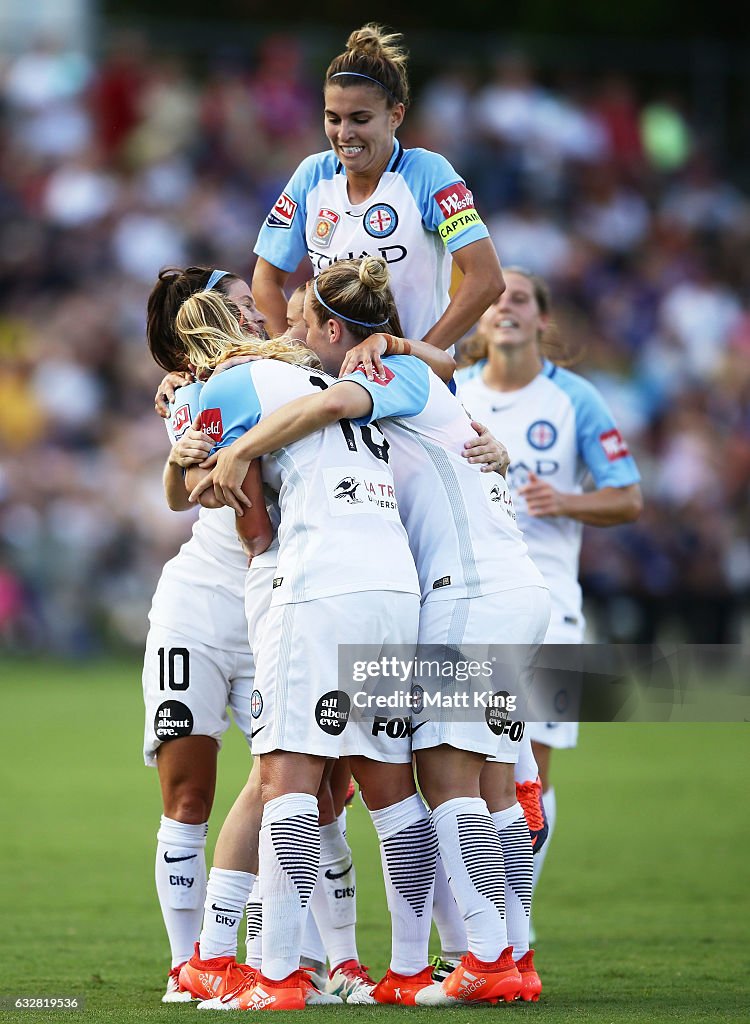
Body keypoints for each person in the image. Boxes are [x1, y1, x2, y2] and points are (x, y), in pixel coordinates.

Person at [190, 257, 551, 1006]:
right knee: (458, 785)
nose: (287, 336)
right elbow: (441, 376)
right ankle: (491, 957)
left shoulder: (366, 381)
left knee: (312, 776)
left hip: (442, 592)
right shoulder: (394, 378)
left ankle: (285, 973)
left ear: (331, 327)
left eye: (297, 323)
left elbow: (266, 503)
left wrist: (236, 445)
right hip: (426, 591)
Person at [173, 285, 443, 1011]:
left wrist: (215, 468)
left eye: (290, 315)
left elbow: (248, 520)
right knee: (389, 788)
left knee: (286, 779)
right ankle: (412, 971)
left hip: (316, 584)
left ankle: (280, 976)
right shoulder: (365, 377)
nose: (276, 321)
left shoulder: (237, 382)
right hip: (395, 587)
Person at [456, 267, 642, 934]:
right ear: (475, 316)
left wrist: (564, 500)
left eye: (521, 299)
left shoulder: (576, 401)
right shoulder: (454, 394)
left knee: (534, 760)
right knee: (466, 764)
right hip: (471, 602)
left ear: (542, 319)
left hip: (554, 600)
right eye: (495, 297)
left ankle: (516, 923)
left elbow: (628, 495)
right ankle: (478, 927)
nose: (505, 306)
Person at [142, 266, 276, 1002]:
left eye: (254, 302)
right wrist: (175, 455)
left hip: (274, 611)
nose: (254, 312)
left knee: (296, 792)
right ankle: (184, 965)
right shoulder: (192, 393)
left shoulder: (295, 374)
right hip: (197, 607)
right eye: (237, 303)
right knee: (188, 795)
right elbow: (180, 494)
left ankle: (278, 957)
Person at [252, 23, 504, 353]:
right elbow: (266, 279)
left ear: (395, 115)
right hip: (331, 384)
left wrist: (416, 356)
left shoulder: (427, 173)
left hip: (412, 388)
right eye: (333, 118)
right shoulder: (312, 175)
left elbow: (486, 279)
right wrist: (289, 352)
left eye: (360, 119)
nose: (344, 133)